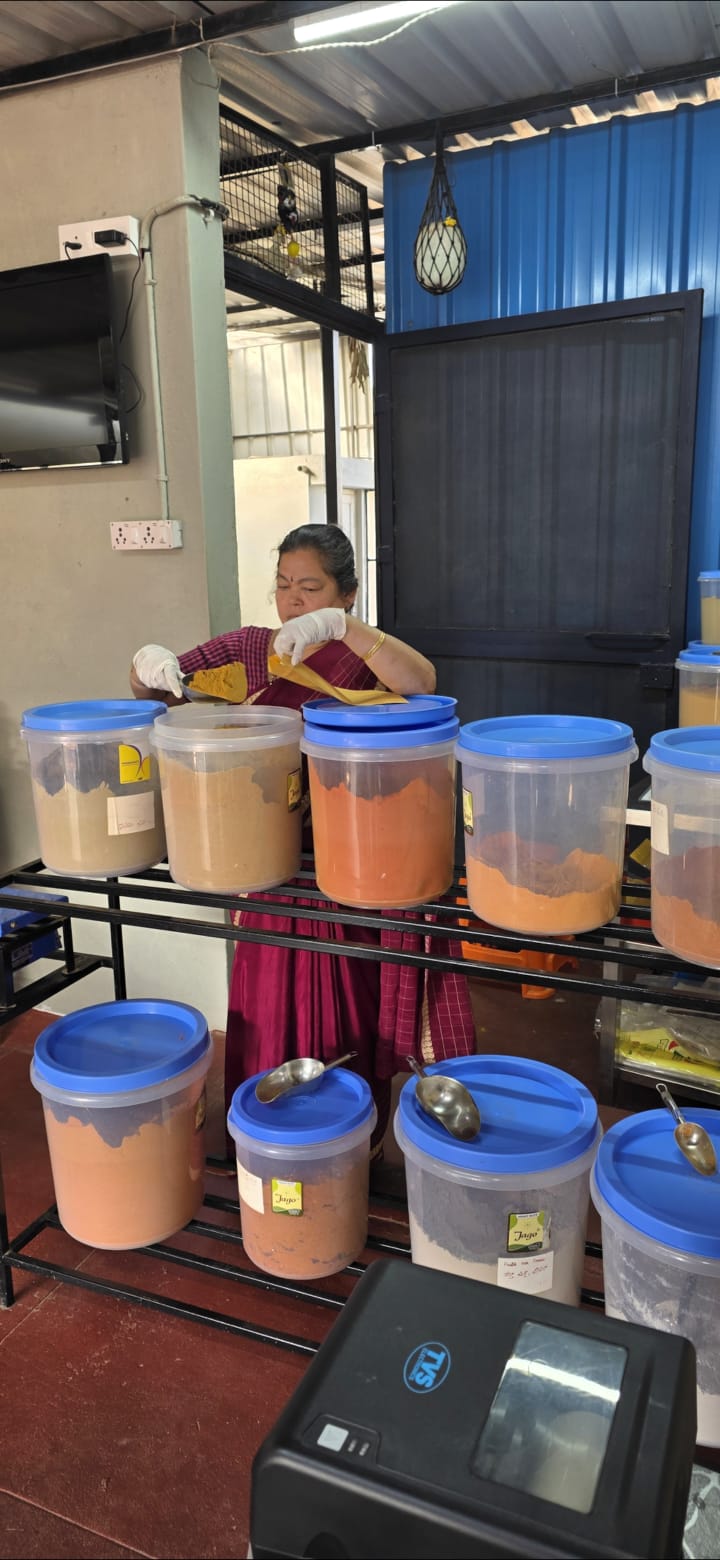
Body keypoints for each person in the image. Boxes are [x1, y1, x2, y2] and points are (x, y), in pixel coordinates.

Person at [130, 524, 475, 1150]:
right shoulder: (253, 649)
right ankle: (264, 1131)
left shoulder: (365, 652)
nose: (293, 601)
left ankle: (349, 1138)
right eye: (284, 586)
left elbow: (422, 681)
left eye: (311, 588)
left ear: (347, 593)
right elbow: (162, 685)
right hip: (264, 851)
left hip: (350, 852)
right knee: (269, 995)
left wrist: (340, 630)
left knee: (349, 989)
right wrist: (148, 664)